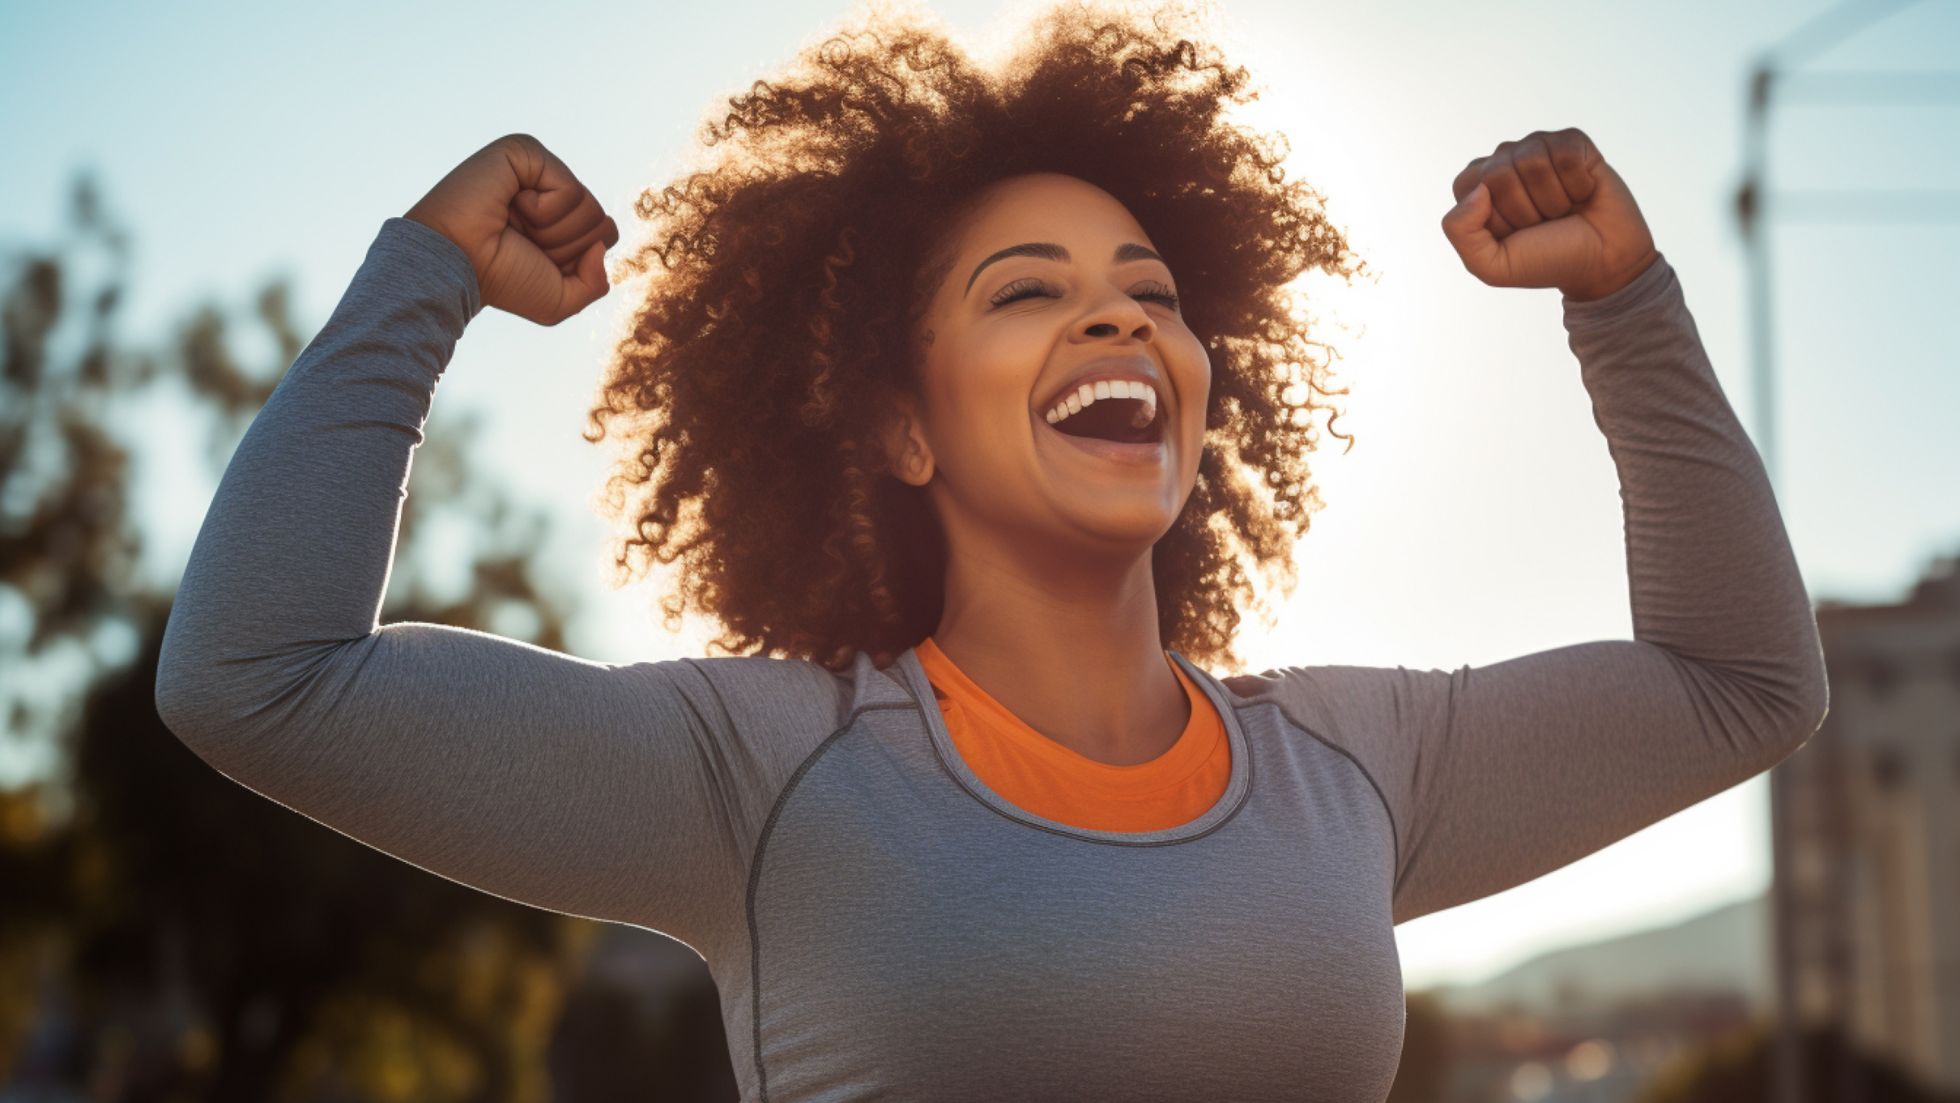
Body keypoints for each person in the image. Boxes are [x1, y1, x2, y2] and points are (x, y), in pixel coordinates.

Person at [153, 2, 1829, 1099]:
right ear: (904, 429)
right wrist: (421, 281)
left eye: (1153, 295)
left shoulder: (1356, 762)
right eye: (1026, 289)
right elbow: (257, 678)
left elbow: (1745, 685)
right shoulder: (757, 776)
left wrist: (1623, 305)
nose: (1116, 309)